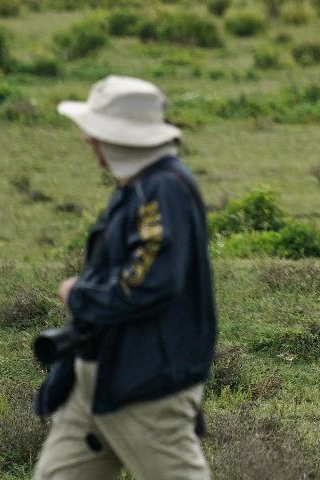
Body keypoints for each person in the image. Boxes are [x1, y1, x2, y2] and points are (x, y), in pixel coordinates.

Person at [33, 75, 217, 480]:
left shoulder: (163, 188)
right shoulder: (135, 185)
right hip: (96, 373)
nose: (87, 141)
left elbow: (151, 279)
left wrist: (81, 295)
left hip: (144, 382)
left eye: (94, 133)